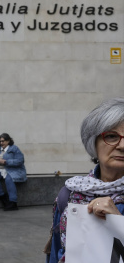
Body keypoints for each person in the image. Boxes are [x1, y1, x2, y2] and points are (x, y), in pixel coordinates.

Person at [45, 97, 124, 263]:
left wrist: (118, 223)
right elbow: (55, 251)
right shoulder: (69, 193)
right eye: (111, 136)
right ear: (93, 142)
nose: (122, 146)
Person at [0, 133, 26, 211]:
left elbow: (20, 160)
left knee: (9, 179)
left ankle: (13, 202)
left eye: (3, 141)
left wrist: (6, 162)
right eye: (0, 141)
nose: (1, 143)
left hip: (11, 169)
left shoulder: (14, 148)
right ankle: (3, 199)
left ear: (8, 141)